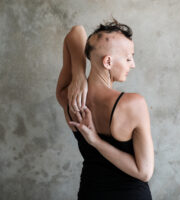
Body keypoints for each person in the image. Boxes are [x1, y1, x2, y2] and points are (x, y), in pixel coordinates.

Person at [56, 19, 154, 200]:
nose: (132, 64)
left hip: (90, 194)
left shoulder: (67, 97)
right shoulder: (133, 104)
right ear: (108, 62)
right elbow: (144, 172)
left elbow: (75, 32)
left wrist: (78, 74)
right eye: (128, 58)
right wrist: (96, 141)